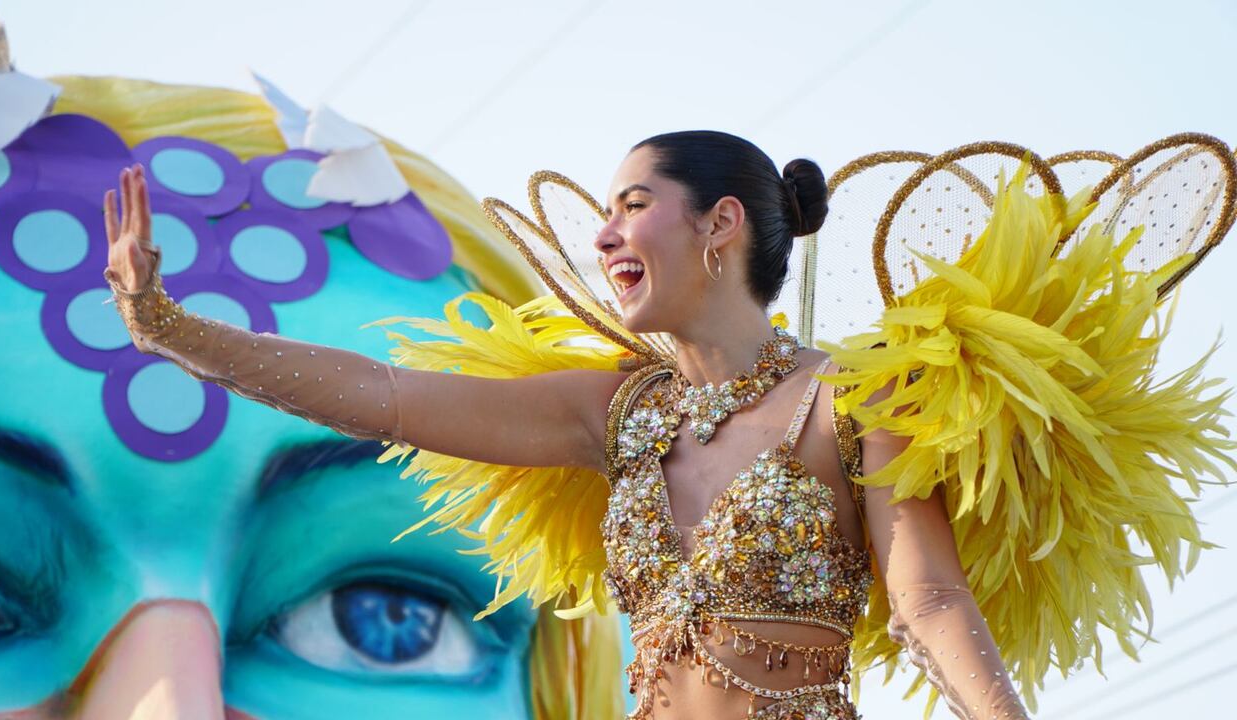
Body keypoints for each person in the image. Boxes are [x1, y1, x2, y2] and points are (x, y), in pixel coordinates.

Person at [103, 130, 1038, 720]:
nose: (602, 235)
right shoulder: (616, 411)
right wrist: (173, 330)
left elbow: (929, 604)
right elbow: (388, 397)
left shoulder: (854, 398)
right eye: (603, 213)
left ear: (720, 224)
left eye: (633, 206)